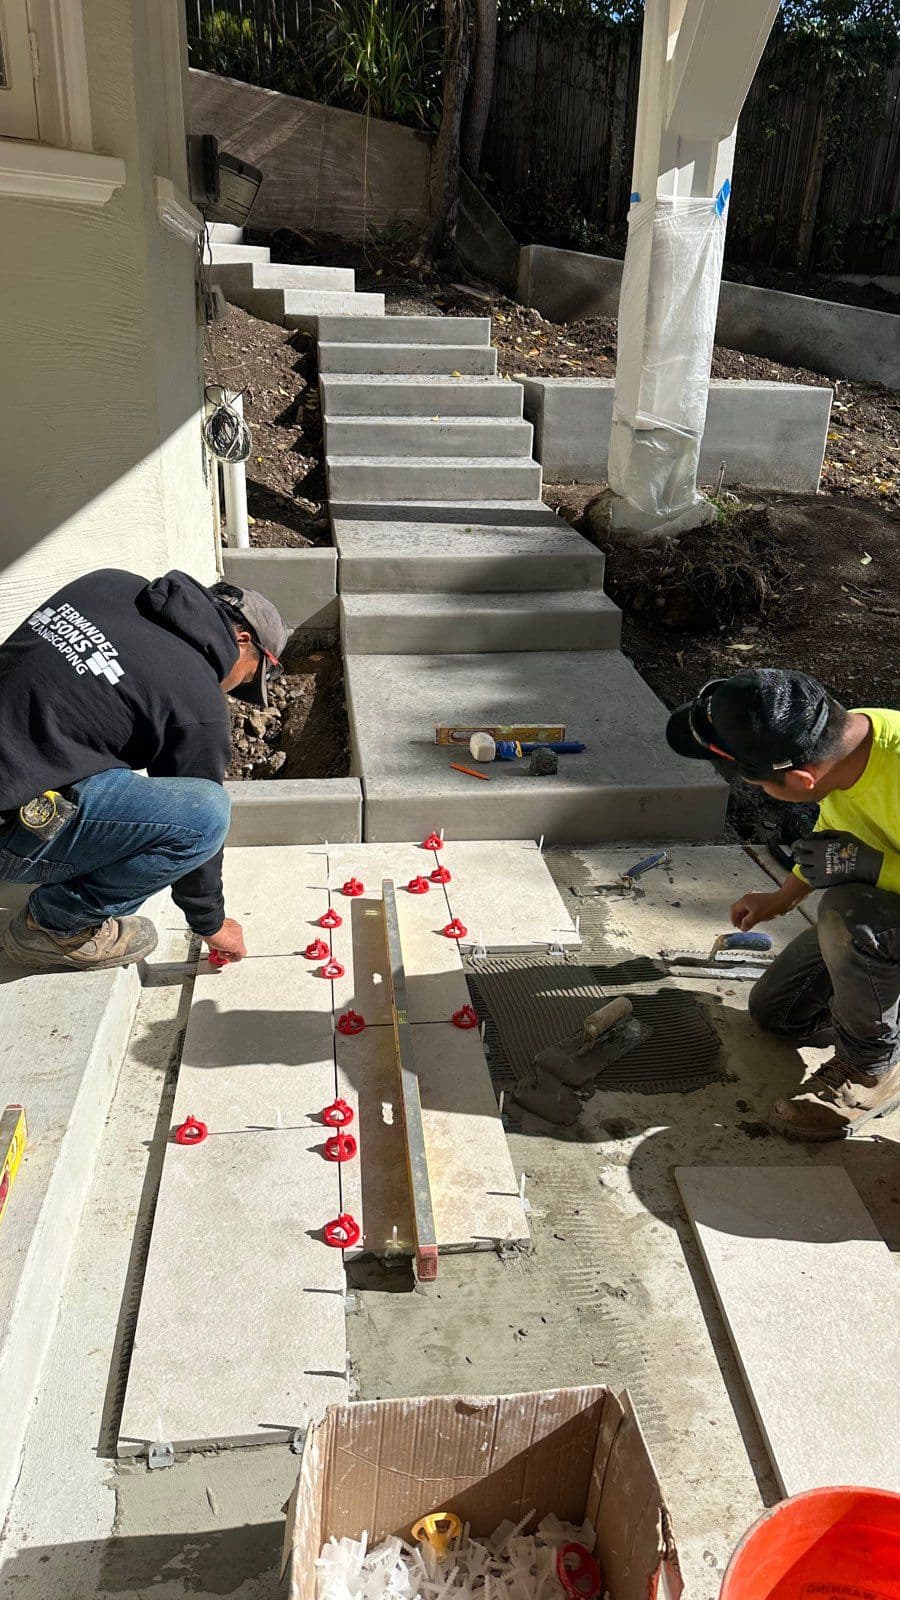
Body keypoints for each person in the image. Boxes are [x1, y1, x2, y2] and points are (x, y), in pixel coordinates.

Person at [0, 568, 288, 972]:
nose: (230, 689)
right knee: (206, 815)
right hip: (7, 830)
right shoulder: (198, 703)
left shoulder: (107, 584)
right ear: (243, 641)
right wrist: (210, 921)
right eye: (246, 678)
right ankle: (55, 926)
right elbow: (197, 823)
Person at [666, 668, 900, 1140]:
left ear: (800, 778)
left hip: (874, 909)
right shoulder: (848, 741)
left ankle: (873, 1069)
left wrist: (873, 868)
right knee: (779, 1012)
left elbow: (853, 862)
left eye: (756, 783)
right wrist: (781, 898)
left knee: (846, 914)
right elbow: (834, 837)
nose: (754, 789)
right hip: (884, 904)